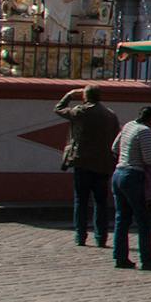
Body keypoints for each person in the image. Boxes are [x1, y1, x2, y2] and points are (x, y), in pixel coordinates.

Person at [54, 85, 120, 249]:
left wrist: (69, 95)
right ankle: (101, 236)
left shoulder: (81, 112)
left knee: (81, 200)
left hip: (82, 161)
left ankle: (80, 234)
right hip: (103, 163)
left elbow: (59, 109)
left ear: (85, 97)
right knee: (101, 202)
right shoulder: (110, 115)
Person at [109, 105, 151, 271]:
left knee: (122, 218)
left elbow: (114, 147)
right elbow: (149, 159)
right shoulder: (145, 131)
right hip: (134, 176)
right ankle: (147, 258)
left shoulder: (129, 125)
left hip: (118, 174)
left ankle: (120, 256)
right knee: (144, 220)